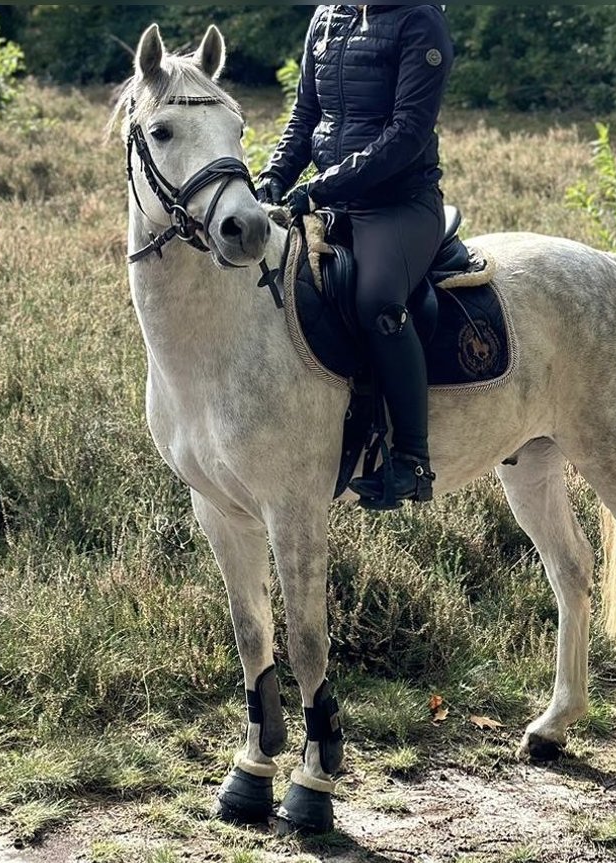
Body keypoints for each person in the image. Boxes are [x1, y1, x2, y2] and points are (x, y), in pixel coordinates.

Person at [257, 4, 454, 508]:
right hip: (333, 199)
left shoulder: (420, 21)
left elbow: (408, 133)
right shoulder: (327, 17)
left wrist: (318, 188)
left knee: (376, 302)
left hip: (400, 205)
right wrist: (275, 177)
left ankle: (412, 460)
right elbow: (305, 116)